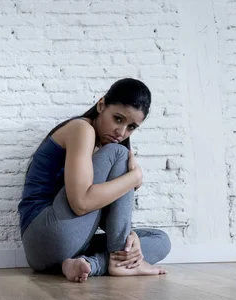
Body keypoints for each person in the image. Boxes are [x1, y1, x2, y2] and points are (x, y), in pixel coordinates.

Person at [18, 78, 171, 282]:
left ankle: (87, 265)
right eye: (118, 119)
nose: (122, 132)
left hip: (62, 247)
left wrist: (129, 236)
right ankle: (118, 260)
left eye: (132, 127)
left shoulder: (101, 148)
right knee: (118, 152)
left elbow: (103, 216)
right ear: (101, 105)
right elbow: (81, 203)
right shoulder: (82, 129)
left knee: (160, 240)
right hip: (45, 233)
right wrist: (134, 177)